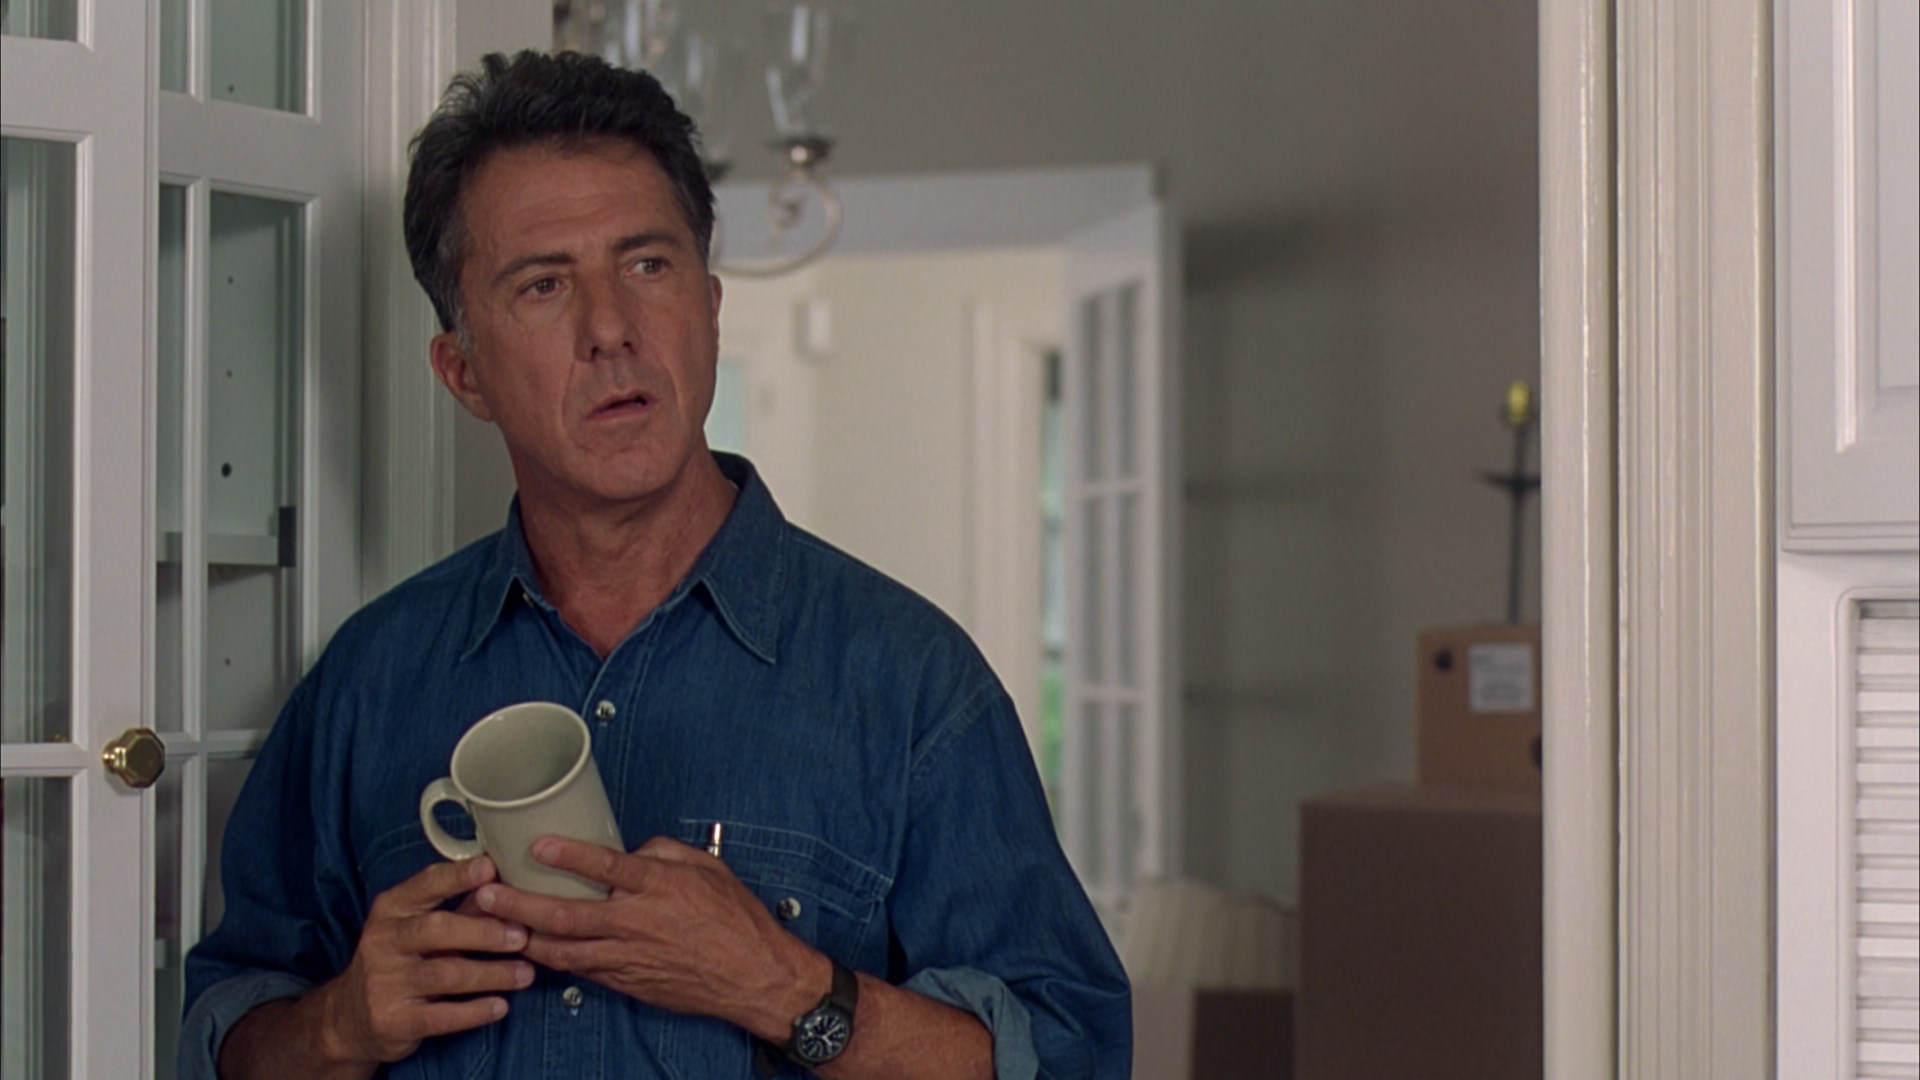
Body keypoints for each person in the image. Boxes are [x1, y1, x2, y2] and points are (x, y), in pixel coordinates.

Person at [179, 49, 1130, 1080]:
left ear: (710, 309)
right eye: (544, 285)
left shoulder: (908, 683)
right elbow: (223, 1034)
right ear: (464, 373)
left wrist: (785, 988)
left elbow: (1074, 1057)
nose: (611, 331)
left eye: (647, 266)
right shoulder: (370, 682)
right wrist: (340, 1027)